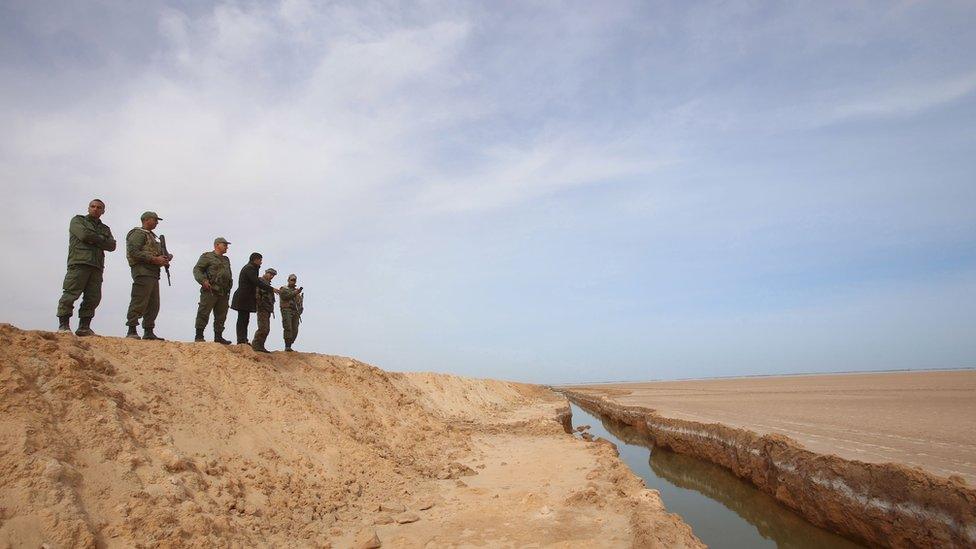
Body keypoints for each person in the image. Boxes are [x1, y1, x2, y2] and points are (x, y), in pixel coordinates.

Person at [57, 199, 117, 336]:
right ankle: (63, 325)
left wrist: (94, 239)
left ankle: (84, 327)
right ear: (88, 208)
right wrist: (101, 240)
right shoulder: (78, 221)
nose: (95, 209)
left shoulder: (104, 228)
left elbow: (112, 246)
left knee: (93, 297)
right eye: (93, 206)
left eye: (99, 207)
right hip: (79, 262)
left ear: (103, 211)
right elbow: (83, 235)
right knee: (71, 293)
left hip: (96, 266)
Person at [124, 211, 172, 340]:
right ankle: (132, 329)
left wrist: (165, 258)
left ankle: (148, 330)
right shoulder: (138, 233)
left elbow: (155, 252)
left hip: (153, 273)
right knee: (139, 300)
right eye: (154, 220)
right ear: (146, 220)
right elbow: (134, 252)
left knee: (153, 303)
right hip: (142, 271)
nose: (156, 222)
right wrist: (154, 259)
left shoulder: (152, 236)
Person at [192, 237, 233, 344]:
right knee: (204, 312)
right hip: (210, 290)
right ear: (217, 245)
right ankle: (199, 335)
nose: (226, 247)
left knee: (221, 315)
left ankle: (218, 336)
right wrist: (203, 281)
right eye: (224, 245)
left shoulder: (226, 259)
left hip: (223, 291)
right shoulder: (207, 256)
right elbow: (197, 270)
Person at [231, 252, 277, 345]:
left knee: (245, 319)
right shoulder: (250, 268)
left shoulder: (252, 268)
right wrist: (271, 289)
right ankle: (241, 340)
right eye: (260, 260)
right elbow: (256, 282)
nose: (261, 262)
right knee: (242, 319)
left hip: (246, 298)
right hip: (243, 297)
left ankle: (243, 339)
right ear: (255, 260)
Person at [251, 268, 277, 353]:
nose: (271, 276)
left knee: (266, 329)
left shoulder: (267, 284)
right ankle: (256, 345)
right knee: (263, 328)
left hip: (267, 308)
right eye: (270, 274)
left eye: (273, 275)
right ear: (266, 273)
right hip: (262, 307)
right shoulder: (260, 281)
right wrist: (259, 303)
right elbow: (257, 293)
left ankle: (260, 346)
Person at [279, 274, 304, 352]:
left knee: (295, 330)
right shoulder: (284, 288)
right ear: (288, 280)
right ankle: (287, 346)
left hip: (296, 311)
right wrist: (296, 292)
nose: (293, 281)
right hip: (287, 309)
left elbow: (299, 302)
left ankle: (290, 343)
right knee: (288, 327)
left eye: (294, 280)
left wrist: (300, 309)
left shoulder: (297, 291)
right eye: (292, 280)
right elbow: (285, 296)